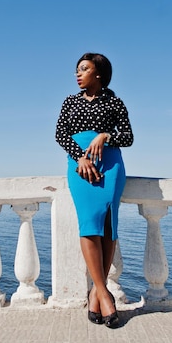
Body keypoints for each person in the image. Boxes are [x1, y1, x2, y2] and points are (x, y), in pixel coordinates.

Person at [55, 52, 134, 328]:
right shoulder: (70, 102)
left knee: (109, 227)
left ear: (98, 73)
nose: (78, 74)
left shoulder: (114, 102)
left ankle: (94, 294)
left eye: (84, 69)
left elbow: (128, 137)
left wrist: (105, 135)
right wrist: (81, 157)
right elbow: (60, 134)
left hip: (110, 167)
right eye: (77, 69)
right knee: (89, 226)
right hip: (80, 168)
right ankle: (104, 293)